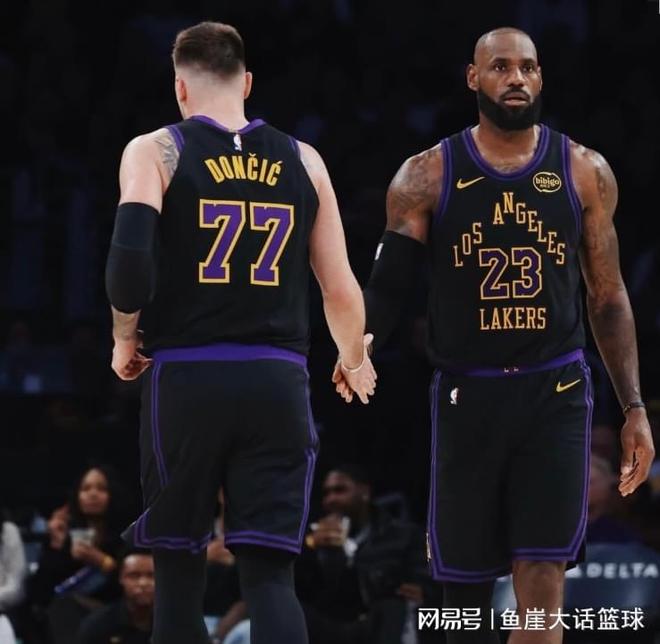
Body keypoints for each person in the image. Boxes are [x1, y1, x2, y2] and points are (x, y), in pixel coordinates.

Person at [335, 26, 656, 643]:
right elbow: (389, 288)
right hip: (468, 394)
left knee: (543, 578)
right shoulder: (425, 175)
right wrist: (356, 348)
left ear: (541, 77)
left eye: (528, 67)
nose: (516, 79)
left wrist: (634, 407)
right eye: (501, 67)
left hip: (555, 392)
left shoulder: (584, 170)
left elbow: (609, 296)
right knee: (464, 593)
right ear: (473, 77)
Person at [104, 21, 376, 644]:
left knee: (178, 574)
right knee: (271, 579)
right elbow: (340, 289)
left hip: (188, 378)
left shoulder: (156, 149)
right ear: (247, 82)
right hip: (277, 380)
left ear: (180, 88)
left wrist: (123, 338)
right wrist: (352, 356)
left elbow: (128, 268)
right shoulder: (304, 159)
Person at [296, 465, 434, 644]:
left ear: (364, 492)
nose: (331, 499)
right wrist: (310, 548)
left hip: (382, 620)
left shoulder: (404, 535)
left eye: (340, 490)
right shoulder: (313, 538)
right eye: (327, 493)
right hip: (333, 624)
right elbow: (303, 589)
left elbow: (425, 582)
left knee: (396, 609)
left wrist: (421, 591)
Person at [76, 550, 154, 644]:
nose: (143, 583)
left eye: (151, 576)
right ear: (121, 578)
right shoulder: (98, 626)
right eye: (134, 576)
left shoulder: (170, 622)